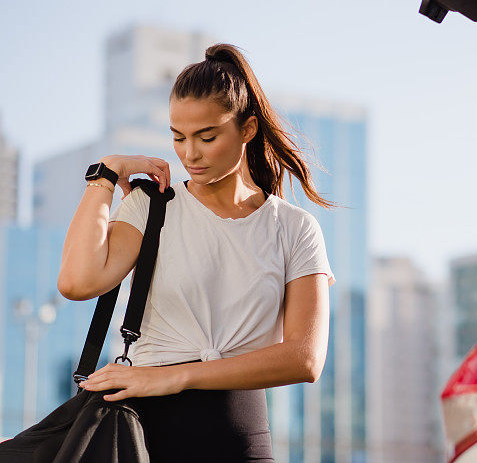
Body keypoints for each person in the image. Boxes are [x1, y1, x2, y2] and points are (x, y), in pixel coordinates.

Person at [57, 43, 338, 462]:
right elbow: (78, 282)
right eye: (178, 137)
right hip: (144, 433)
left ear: (248, 129)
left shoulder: (294, 228)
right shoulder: (152, 206)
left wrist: (178, 378)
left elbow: (306, 358)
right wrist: (105, 174)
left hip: (240, 436)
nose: (190, 154)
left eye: (207, 136)